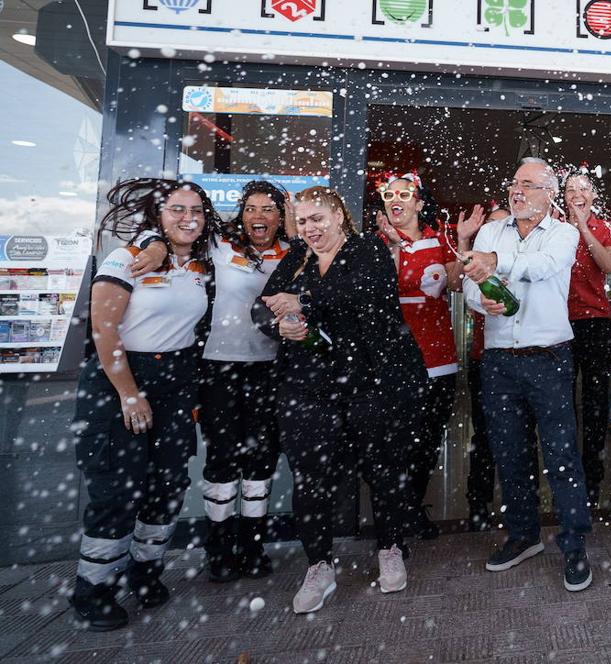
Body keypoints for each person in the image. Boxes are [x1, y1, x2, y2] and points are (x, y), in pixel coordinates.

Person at [254, 186, 426, 614]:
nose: (310, 228)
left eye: (318, 218)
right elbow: (264, 307)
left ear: (339, 216)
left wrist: (304, 302)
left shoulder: (368, 248)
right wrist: (280, 328)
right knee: (311, 478)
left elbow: (362, 291)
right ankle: (319, 564)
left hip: (372, 380)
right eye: (303, 220)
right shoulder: (296, 259)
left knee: (384, 468)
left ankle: (390, 548)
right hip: (309, 387)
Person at [69, 179, 220, 631]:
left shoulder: (197, 263)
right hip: (121, 382)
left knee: (167, 486)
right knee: (117, 490)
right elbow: (104, 330)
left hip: (175, 383)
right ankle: (93, 589)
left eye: (196, 210)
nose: (187, 217)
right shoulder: (125, 258)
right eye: (176, 209)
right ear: (158, 214)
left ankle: (144, 571)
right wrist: (129, 392)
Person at [131, 181, 293, 582]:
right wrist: (153, 246)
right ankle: (219, 550)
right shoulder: (219, 245)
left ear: (280, 216)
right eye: (252, 208)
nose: (260, 217)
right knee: (222, 459)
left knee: (261, 460)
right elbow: (174, 235)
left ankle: (252, 546)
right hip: (218, 367)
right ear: (241, 213)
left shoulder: (294, 252)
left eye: (269, 210)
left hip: (270, 368)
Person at [461, 159, 594, 592]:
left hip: (548, 358)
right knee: (510, 453)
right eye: (514, 183)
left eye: (528, 185)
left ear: (548, 194)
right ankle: (523, 535)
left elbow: (540, 266)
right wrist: (485, 303)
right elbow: (469, 286)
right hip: (499, 361)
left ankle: (574, 544)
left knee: (561, 455)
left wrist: (494, 263)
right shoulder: (489, 231)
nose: (517, 191)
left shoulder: (564, 233)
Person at [375, 172, 461, 540]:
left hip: (439, 355)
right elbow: (379, 292)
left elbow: (456, 283)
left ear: (419, 203)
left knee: (426, 441)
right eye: (390, 194)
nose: (397, 200)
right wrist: (395, 247)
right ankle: (394, 518)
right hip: (395, 358)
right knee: (395, 442)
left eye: (405, 194)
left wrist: (467, 239)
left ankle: (411, 507)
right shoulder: (373, 243)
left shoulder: (439, 239)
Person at [563, 171, 611, 509]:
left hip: (595, 322)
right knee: (563, 402)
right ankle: (568, 476)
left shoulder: (604, 227)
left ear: (594, 196)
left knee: (595, 402)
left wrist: (584, 227)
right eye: (570, 189)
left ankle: (592, 478)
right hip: (559, 324)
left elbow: (609, 264)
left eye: (583, 188)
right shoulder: (552, 224)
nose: (576, 193)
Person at [457, 204, 509, 530]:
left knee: (521, 437)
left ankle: (521, 504)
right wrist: (464, 245)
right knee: (485, 435)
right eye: (492, 225)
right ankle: (479, 503)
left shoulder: (519, 262)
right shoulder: (475, 263)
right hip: (483, 358)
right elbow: (462, 287)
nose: (498, 231)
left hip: (519, 360)